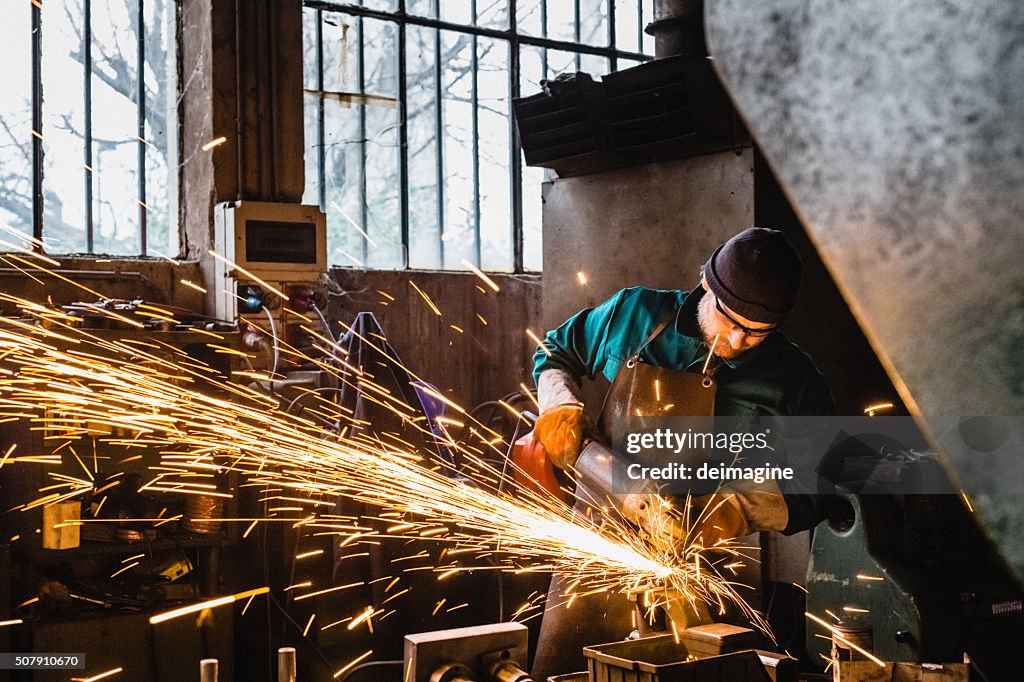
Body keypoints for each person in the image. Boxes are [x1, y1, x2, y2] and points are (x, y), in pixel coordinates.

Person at [529, 227, 835, 680]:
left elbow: (823, 486)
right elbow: (555, 352)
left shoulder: (793, 379)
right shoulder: (634, 314)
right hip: (594, 544)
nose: (734, 341)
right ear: (706, 286)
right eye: (729, 320)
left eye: (756, 335)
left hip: (699, 562)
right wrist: (560, 404)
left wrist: (734, 511)